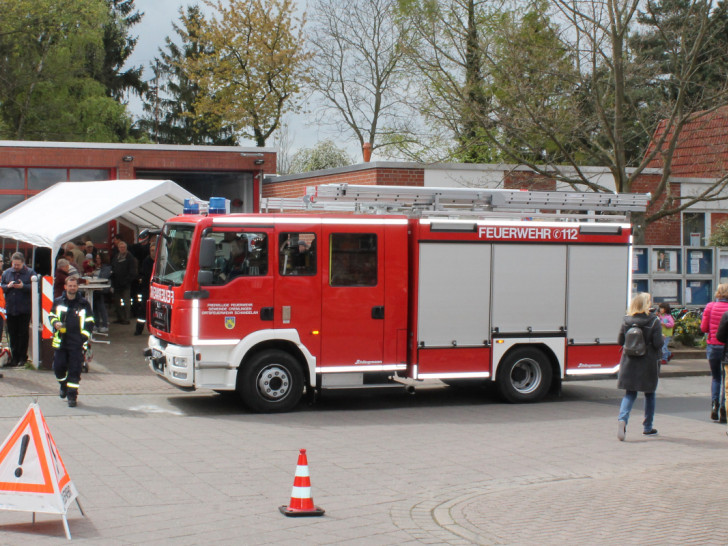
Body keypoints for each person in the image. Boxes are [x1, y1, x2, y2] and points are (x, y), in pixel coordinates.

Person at [616, 292, 663, 441]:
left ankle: (622, 420)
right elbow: (658, 344)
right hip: (648, 362)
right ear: (646, 305)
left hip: (629, 361)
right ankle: (647, 427)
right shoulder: (654, 321)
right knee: (649, 393)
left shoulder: (626, 321)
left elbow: (619, 341)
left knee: (630, 394)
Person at [48, 276, 94, 407]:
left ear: (77, 287)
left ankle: (72, 396)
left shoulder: (84, 304)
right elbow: (51, 315)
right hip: (61, 342)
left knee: (75, 370)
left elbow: (90, 322)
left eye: (74, 286)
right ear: (65, 287)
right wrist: (55, 322)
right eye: (70, 286)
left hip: (76, 343)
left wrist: (83, 338)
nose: (72, 288)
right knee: (58, 368)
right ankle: (63, 385)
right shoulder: (58, 302)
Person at [0, 253, 36, 367]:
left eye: (18, 265)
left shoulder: (30, 273)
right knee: (12, 333)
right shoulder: (6, 273)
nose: (15, 267)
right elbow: (2, 288)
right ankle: (14, 357)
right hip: (10, 308)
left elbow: (35, 288)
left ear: (23, 263)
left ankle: (22, 357)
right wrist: (8, 286)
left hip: (24, 308)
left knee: (23, 333)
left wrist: (23, 287)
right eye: (14, 264)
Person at [700, 283, 728, 423]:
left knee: (716, 377)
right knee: (726, 379)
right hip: (726, 347)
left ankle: (714, 404)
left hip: (713, 346)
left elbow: (704, 327)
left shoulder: (710, 306)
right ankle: (724, 407)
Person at [111, 241, 138, 325]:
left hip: (126, 283)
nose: (122, 249)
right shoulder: (116, 257)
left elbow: (133, 271)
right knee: (116, 302)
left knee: (126, 302)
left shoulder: (130, 257)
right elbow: (113, 267)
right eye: (120, 247)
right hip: (117, 283)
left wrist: (127, 280)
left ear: (126, 248)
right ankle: (120, 318)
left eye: (124, 247)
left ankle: (127, 319)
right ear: (118, 248)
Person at [134, 242, 155, 335]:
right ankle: (139, 329)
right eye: (152, 250)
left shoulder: (160, 261)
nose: (153, 252)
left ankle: (156, 330)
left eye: (155, 250)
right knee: (143, 310)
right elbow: (144, 274)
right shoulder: (146, 261)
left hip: (157, 290)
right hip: (147, 289)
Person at [92, 253, 112, 333]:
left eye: (98, 258)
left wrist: (94, 274)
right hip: (95, 288)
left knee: (101, 306)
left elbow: (103, 277)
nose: (97, 260)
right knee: (95, 307)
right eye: (96, 258)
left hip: (101, 288)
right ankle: (96, 324)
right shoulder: (96, 267)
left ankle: (105, 324)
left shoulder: (107, 268)